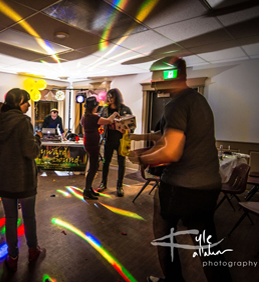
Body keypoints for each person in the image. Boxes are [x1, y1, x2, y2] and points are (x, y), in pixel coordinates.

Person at [128, 56, 232, 282]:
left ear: (170, 76)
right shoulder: (197, 99)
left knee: (165, 236)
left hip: (181, 186)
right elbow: (169, 135)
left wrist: (141, 157)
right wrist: (140, 136)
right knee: (208, 245)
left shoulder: (176, 103)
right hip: (208, 185)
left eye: (157, 76)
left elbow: (170, 152)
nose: (153, 81)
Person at [0, 88, 45, 271]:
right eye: (26, 101)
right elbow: (31, 152)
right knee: (29, 217)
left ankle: (12, 256)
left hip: (4, 178)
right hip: (23, 179)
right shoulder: (23, 122)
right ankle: (32, 250)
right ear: (18, 101)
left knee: (10, 218)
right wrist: (38, 140)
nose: (29, 105)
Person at [80, 97, 119, 200]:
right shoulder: (94, 118)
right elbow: (109, 121)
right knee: (93, 167)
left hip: (88, 143)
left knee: (93, 165)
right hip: (92, 144)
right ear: (94, 107)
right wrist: (114, 114)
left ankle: (89, 188)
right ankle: (87, 191)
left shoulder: (84, 117)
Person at [97, 88, 133, 197]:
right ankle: (103, 183)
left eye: (111, 97)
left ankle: (119, 186)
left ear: (116, 97)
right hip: (108, 138)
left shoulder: (125, 109)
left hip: (121, 139)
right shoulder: (105, 109)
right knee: (105, 162)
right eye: (108, 97)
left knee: (121, 163)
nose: (109, 99)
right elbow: (100, 122)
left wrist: (127, 129)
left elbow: (131, 125)